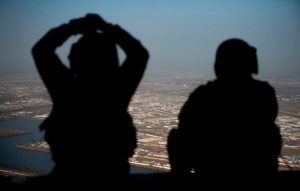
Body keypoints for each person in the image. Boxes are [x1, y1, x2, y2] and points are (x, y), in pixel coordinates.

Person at [32, 14, 148, 186]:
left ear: (77, 60)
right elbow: (139, 54)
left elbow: (42, 50)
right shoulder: (116, 92)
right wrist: (106, 27)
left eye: (73, 54)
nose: (69, 59)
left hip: (68, 179)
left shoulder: (66, 90)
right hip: (115, 179)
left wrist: (74, 26)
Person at [167, 39, 281, 183]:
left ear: (219, 65)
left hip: (211, 171)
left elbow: (185, 127)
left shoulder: (204, 95)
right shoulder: (264, 93)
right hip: (257, 171)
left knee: (176, 137)